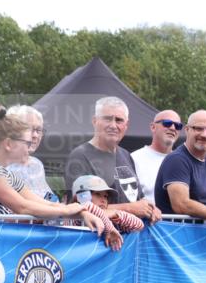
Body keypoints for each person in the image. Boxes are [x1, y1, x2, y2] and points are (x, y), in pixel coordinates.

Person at [0, 102, 110, 240]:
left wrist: (81, 213)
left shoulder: (7, 175)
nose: (30, 147)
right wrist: (70, 210)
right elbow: (22, 207)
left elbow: (45, 203)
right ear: (8, 144)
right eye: (26, 142)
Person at [65, 96, 160, 224]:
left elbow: (139, 199)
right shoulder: (80, 156)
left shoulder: (126, 155)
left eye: (119, 120)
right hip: (99, 239)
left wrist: (151, 209)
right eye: (107, 119)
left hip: (130, 239)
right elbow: (78, 208)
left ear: (126, 126)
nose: (113, 125)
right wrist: (130, 209)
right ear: (94, 121)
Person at [4, 105, 58, 202]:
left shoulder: (36, 164)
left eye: (39, 130)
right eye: (30, 129)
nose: (35, 135)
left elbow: (46, 194)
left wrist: (60, 204)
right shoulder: (0, 166)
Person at [131, 110, 182, 204]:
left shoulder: (183, 161)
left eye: (178, 126)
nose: (173, 127)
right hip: (145, 218)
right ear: (153, 127)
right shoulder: (134, 159)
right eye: (167, 123)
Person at [71, 174, 145, 234]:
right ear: (80, 197)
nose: (103, 200)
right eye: (97, 194)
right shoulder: (76, 215)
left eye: (105, 196)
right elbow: (85, 205)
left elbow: (139, 225)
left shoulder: (111, 218)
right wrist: (110, 230)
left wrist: (115, 213)